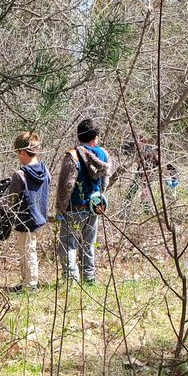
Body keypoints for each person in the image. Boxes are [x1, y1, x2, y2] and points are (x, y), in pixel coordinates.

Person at [55, 118, 113, 283]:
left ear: (79, 136)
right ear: (95, 137)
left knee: (68, 244)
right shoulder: (103, 154)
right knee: (88, 244)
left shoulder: (72, 156)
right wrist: (98, 195)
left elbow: (67, 185)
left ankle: (71, 280)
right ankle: (89, 277)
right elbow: (105, 181)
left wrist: (60, 208)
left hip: (74, 207)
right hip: (94, 206)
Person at [4, 131, 50, 290]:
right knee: (27, 251)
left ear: (23, 152)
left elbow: (11, 200)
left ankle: (30, 286)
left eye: (18, 152)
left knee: (27, 253)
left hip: (24, 221)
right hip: (39, 219)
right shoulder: (45, 171)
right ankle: (25, 283)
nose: (18, 156)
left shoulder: (20, 174)